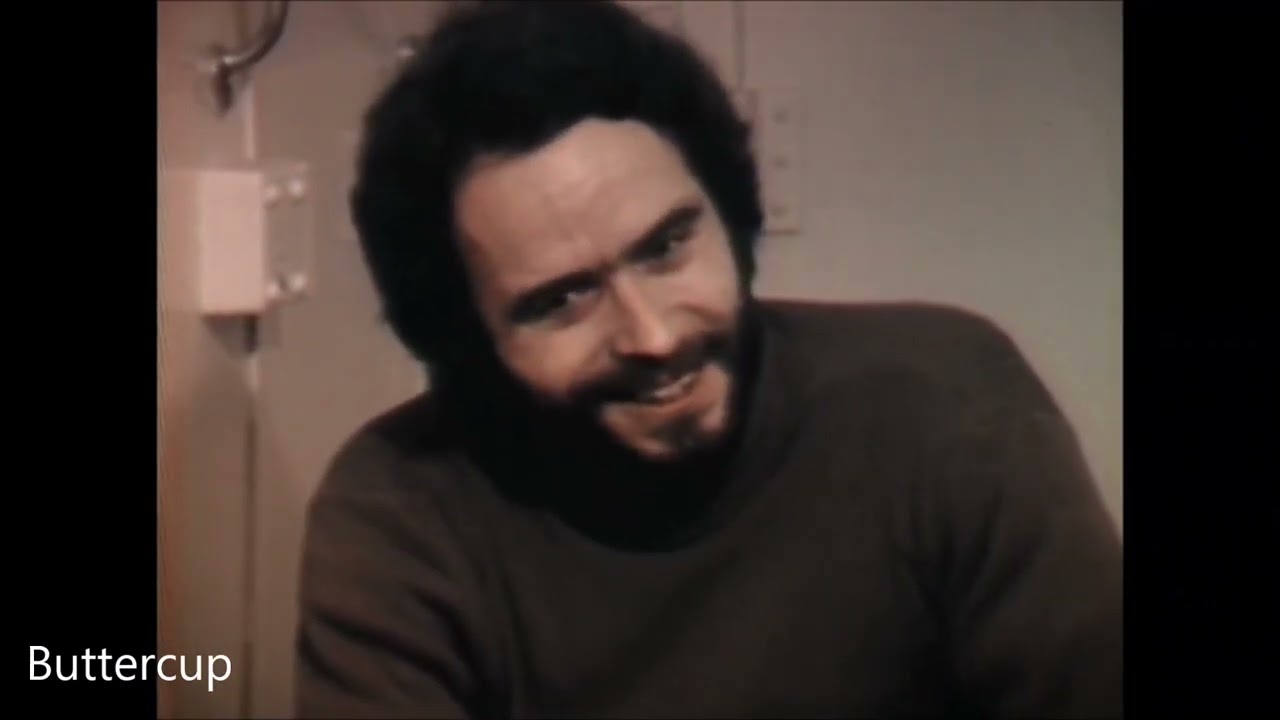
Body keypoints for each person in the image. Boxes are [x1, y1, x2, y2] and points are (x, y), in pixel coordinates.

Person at [293, 1, 1123, 718]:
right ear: (466, 340)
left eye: (667, 247)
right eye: (562, 300)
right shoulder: (402, 506)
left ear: (728, 213)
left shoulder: (945, 403)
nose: (653, 337)